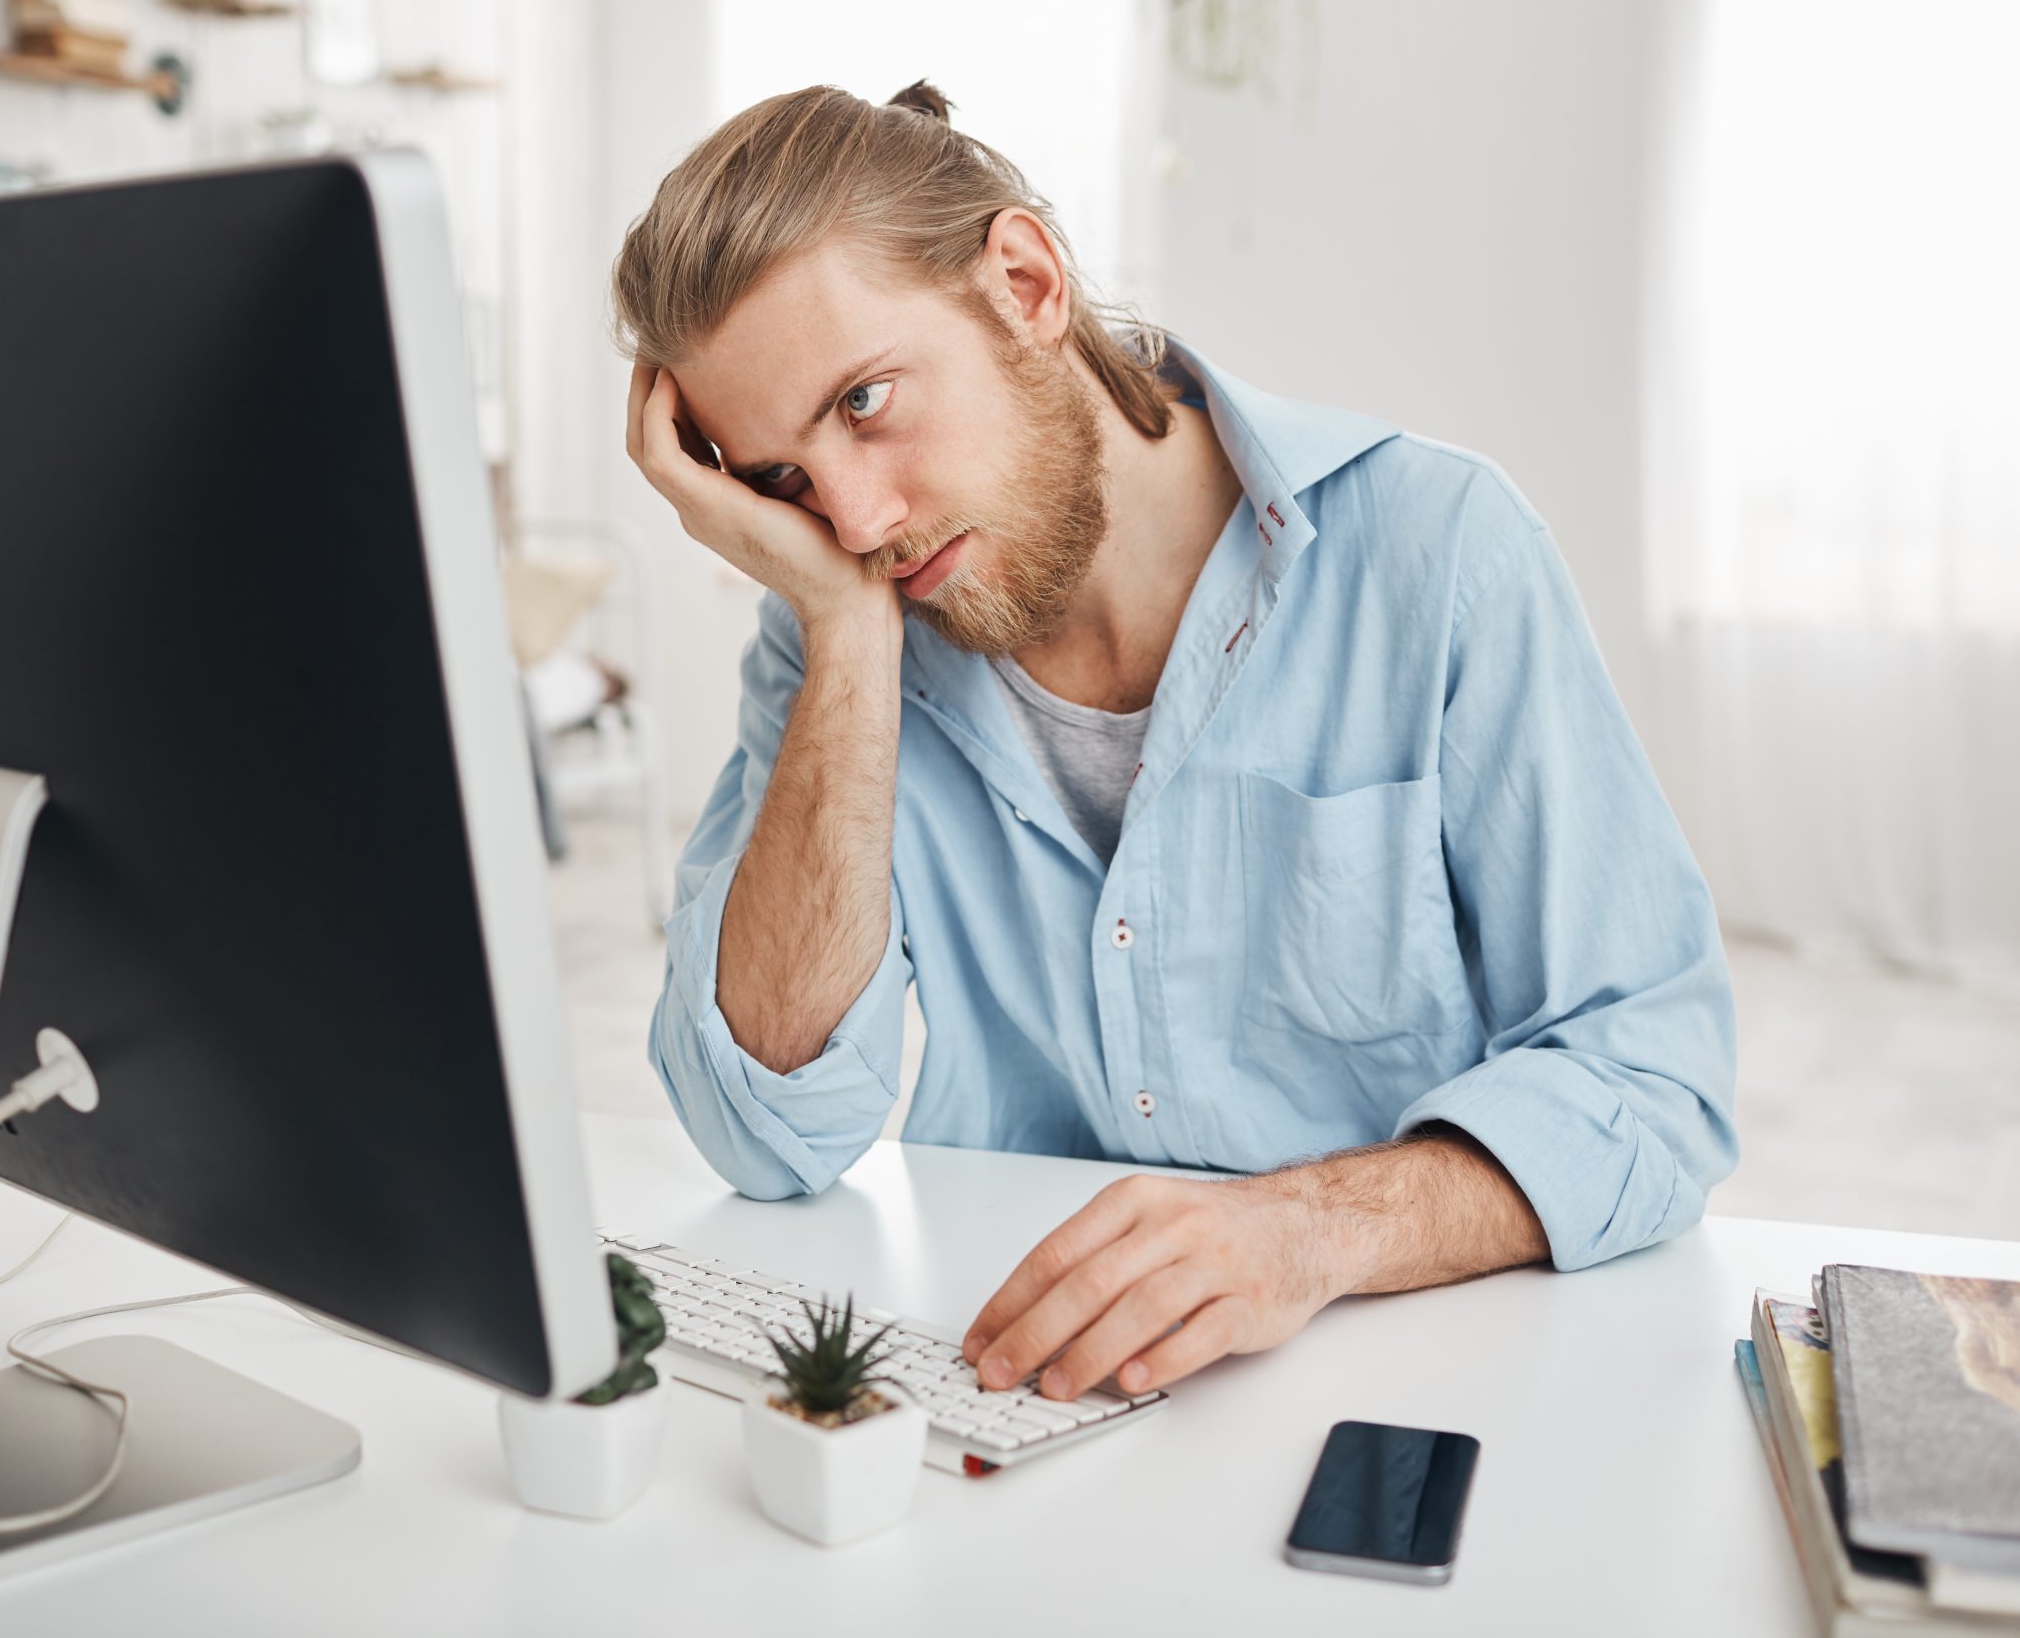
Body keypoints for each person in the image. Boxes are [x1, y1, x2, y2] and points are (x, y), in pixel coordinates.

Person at [614, 81, 1737, 1406]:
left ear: (1025, 285)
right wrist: (848, 636)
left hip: (1399, 1383)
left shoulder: (1439, 557)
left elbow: (1654, 1081)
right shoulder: (836, 633)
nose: (855, 519)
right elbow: (767, 1131)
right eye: (782, 479)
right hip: (1024, 1398)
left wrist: (1306, 1229)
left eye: (864, 402)